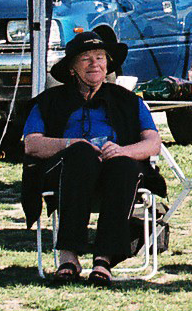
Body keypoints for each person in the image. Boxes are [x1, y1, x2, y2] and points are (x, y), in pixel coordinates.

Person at [22, 32, 166, 286]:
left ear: (108, 65)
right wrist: (71, 144)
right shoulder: (50, 100)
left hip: (117, 171)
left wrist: (123, 151)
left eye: (100, 58)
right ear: (72, 68)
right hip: (67, 171)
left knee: (122, 165)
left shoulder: (128, 100)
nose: (94, 64)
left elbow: (153, 143)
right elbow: (32, 144)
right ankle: (69, 256)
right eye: (86, 58)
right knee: (81, 155)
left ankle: (103, 260)